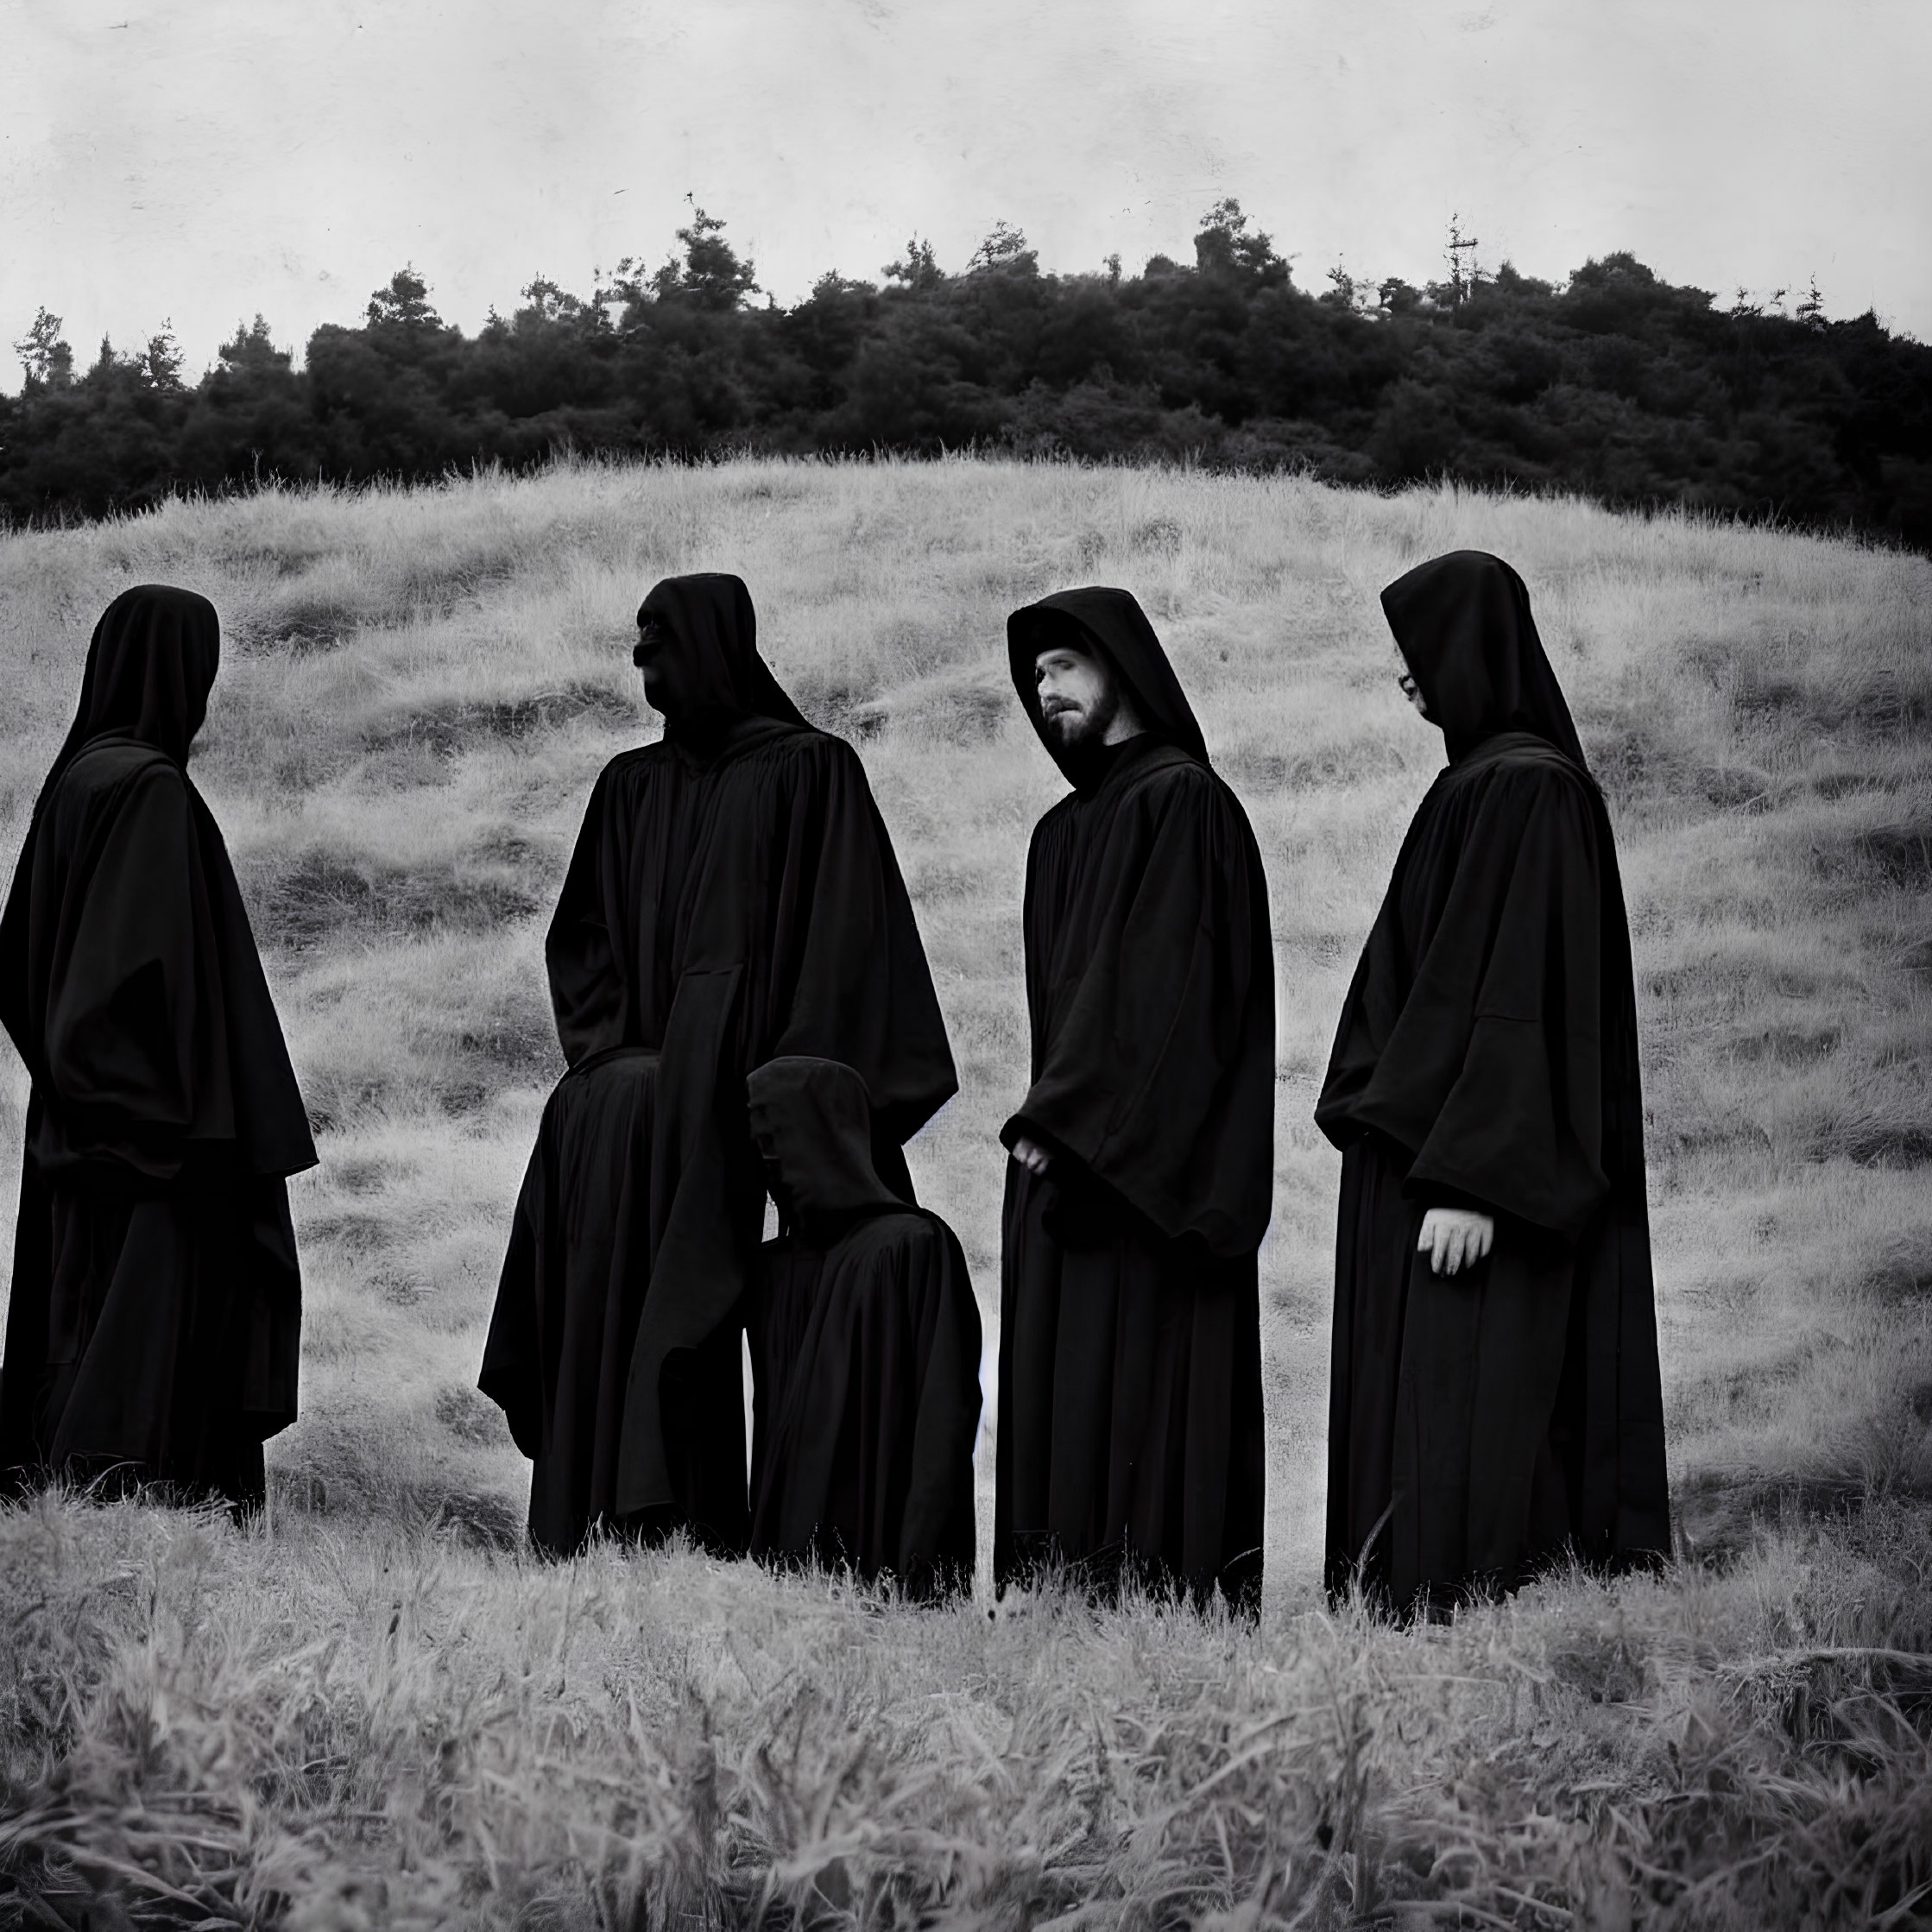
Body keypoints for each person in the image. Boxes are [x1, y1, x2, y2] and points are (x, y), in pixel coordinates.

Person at [479, 573, 957, 1558]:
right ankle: (621, 1526)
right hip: (638, 1102)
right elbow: (583, 944)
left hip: (761, 1094)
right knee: (623, 1277)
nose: (643, 658)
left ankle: (790, 1534)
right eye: (636, 641)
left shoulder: (812, 770)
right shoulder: (628, 786)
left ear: (717, 644)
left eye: (661, 638)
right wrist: (615, 1066)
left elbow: (845, 942)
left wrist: (782, 1094)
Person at [1316, 549, 1670, 1617]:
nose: (1404, 676)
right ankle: (1407, 1615)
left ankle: (1466, 1622)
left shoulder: (1530, 790)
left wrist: (1474, 1177)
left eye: (1418, 651)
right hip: (1424, 1163)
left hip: (1471, 1183)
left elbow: (1523, 999)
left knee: (1472, 1410)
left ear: (1472, 648)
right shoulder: (1474, 787)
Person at [0, 586, 315, 1510]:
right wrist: (165, 1125)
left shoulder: (77, 784)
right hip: (154, 1151)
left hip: (80, 1132)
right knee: (139, 1374)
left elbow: (20, 966)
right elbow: (126, 984)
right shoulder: (147, 791)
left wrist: (74, 1092)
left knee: (79, 1332)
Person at [994, 588, 1274, 1613]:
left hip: (1152, 1173)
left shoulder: (1185, 804)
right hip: (1066, 1153)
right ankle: (1059, 1600)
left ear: (1121, 664)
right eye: (1034, 680)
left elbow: (1168, 995)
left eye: (1063, 665)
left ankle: (1163, 1606)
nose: (1045, 690)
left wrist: (1068, 1120)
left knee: (1148, 1392)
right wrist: (1057, 1127)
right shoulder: (1059, 836)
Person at [744, 1056, 981, 1596]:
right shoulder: (775, 1271)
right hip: (784, 1586)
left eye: (776, 1138)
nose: (768, 1161)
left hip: (889, 1574)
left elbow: (944, 1413)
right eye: (759, 1143)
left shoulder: (913, 1246)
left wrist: (923, 1572)